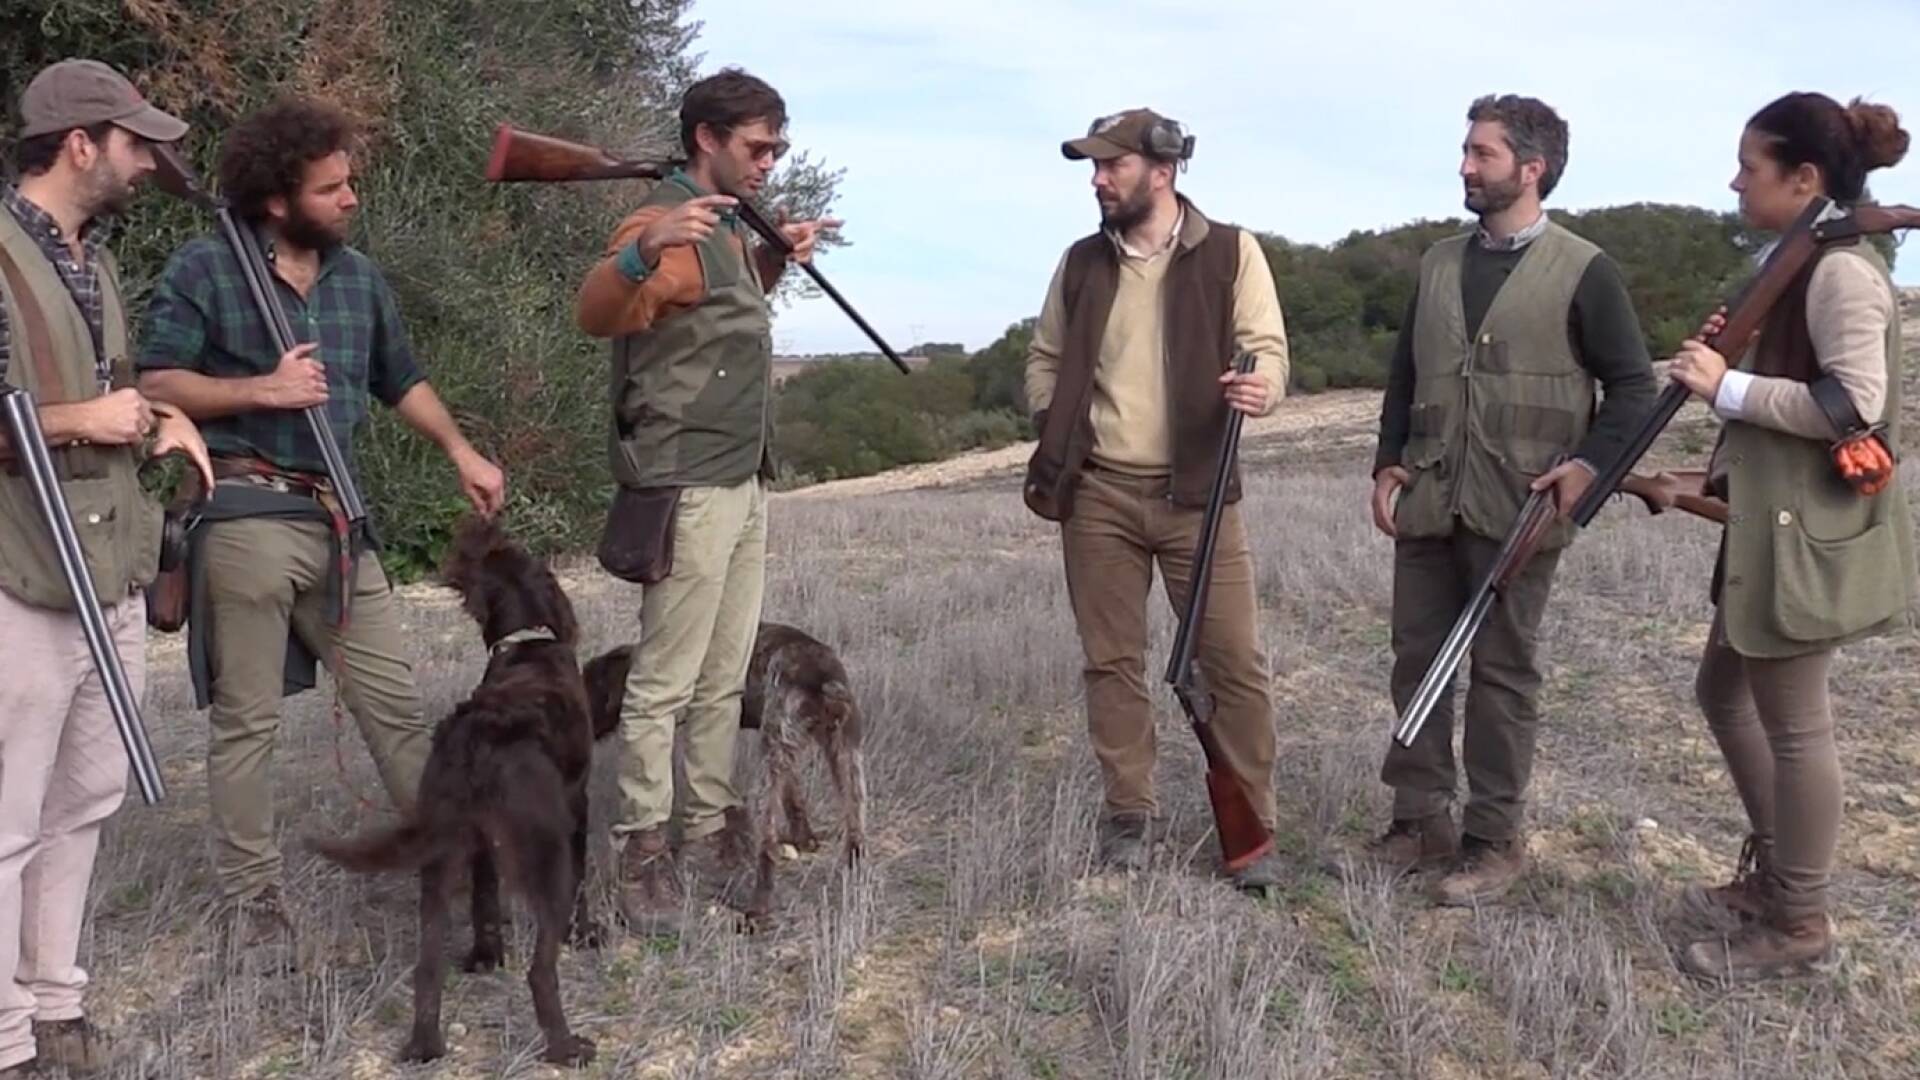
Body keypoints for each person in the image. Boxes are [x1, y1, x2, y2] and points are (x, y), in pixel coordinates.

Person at [135, 96, 505, 964]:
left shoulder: (357, 278)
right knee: (247, 722)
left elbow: (398, 378)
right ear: (276, 199)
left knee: (396, 708)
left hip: (340, 522)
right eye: (331, 187)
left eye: (350, 183)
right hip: (244, 516)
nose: (350, 199)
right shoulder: (207, 269)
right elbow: (156, 383)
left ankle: (456, 868)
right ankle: (253, 902)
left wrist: (461, 450)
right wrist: (260, 390)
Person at [1366, 94, 1656, 905]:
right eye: (1465, 150)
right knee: (1416, 659)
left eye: (1482, 154)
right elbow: (1404, 377)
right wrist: (1387, 462)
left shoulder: (1584, 269)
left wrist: (1588, 470)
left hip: (1520, 508)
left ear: (1532, 169)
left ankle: (1494, 840)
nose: (1464, 166)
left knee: (1502, 673)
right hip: (1429, 496)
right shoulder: (1436, 263)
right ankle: (1420, 819)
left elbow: (1634, 390)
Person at [573, 67, 837, 932]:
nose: (770, 162)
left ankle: (712, 825)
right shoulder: (665, 224)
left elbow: (705, 319)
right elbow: (598, 311)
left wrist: (771, 257)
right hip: (686, 480)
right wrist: (639, 252)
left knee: (725, 678)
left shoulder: (721, 230)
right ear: (707, 140)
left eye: (778, 147)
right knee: (664, 681)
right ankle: (643, 849)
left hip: (738, 475)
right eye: (758, 147)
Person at [1664, 92, 1913, 981]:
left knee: (1798, 730)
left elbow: (1855, 407)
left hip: (1804, 538)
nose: (1735, 181)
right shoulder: (1800, 260)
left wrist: (1724, 386)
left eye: (1750, 166)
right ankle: (1778, 878)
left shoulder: (1841, 272)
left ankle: (1798, 921)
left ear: (1803, 178)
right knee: (1722, 694)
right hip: (1769, 532)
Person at [0, 58, 212, 1076]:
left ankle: (55, 1005)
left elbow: (119, 388)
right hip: (23, 575)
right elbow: (73, 409)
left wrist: (164, 419)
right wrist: (79, 419)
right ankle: (4, 1038)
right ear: (80, 143)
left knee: (85, 799)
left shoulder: (96, 260)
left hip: (111, 564)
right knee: (6, 816)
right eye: (132, 143)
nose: (143, 163)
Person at [1021, 107, 1291, 890]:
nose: (1099, 180)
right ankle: (1129, 813)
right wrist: (1054, 419)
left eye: (1113, 166)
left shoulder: (1233, 253)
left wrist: (1261, 387)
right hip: (1097, 493)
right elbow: (1043, 359)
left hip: (1199, 496)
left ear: (1163, 173)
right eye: (1094, 169)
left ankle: (1253, 824)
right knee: (1111, 663)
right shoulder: (1079, 264)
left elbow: (1268, 350)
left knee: (1233, 664)